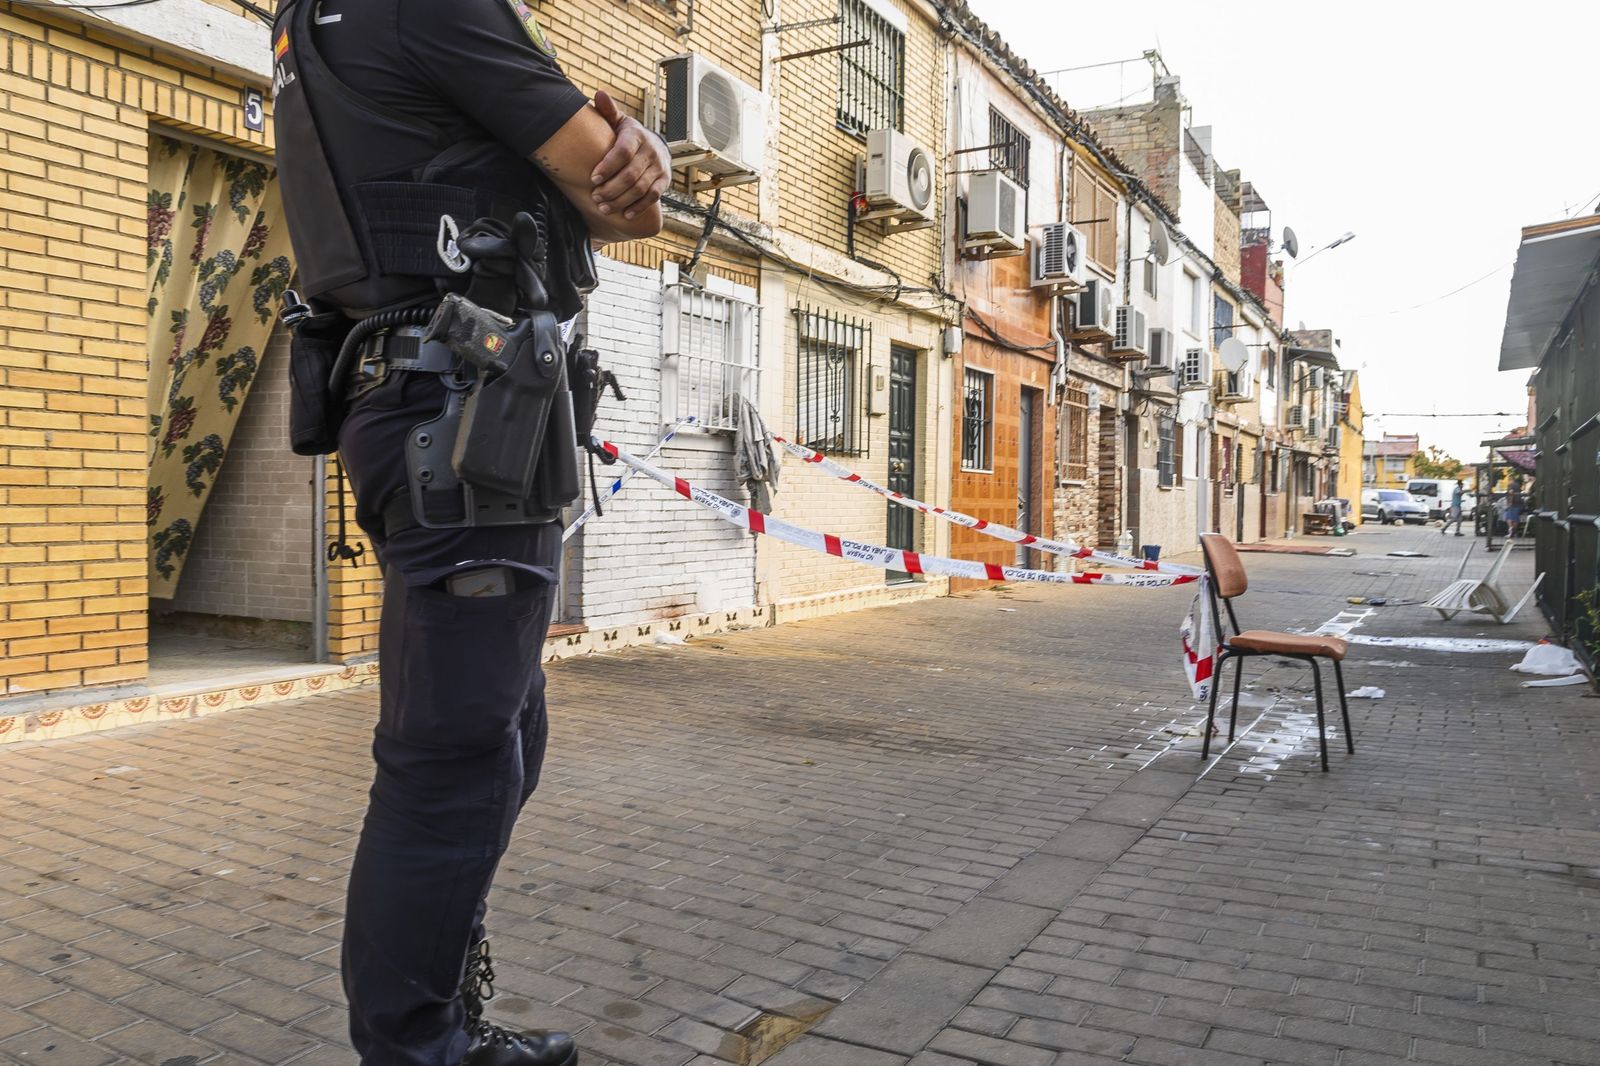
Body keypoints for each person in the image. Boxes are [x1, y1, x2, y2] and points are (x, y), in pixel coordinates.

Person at [270, 1, 669, 1064]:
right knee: (452, 760)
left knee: (500, 737)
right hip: (464, 418)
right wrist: (644, 156)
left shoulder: (315, 19)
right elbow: (627, 206)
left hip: (424, 408)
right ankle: (420, 1047)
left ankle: (441, 1018)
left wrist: (631, 151)